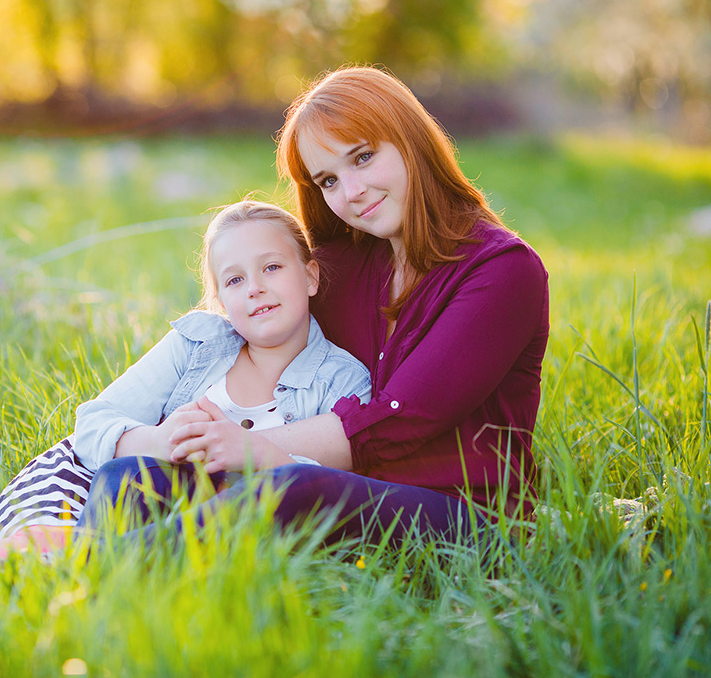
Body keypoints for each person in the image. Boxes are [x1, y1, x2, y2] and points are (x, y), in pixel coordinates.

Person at [77, 66, 549, 548]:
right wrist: (152, 437)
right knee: (130, 476)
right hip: (333, 490)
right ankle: (103, 586)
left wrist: (240, 447)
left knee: (292, 489)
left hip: (462, 518)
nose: (351, 192)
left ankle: (74, 569)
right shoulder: (338, 267)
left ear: (411, 140)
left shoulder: (502, 271)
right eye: (327, 180)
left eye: (363, 157)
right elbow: (245, 327)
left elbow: (400, 420)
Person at [0, 200, 371, 559]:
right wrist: (162, 440)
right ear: (221, 303)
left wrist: (253, 452)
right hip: (91, 478)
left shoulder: (344, 382)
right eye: (234, 280)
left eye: (271, 267)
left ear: (311, 276)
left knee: (123, 550)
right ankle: (1, 564)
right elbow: (93, 423)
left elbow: (332, 492)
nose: (255, 288)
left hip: (207, 518)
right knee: (81, 521)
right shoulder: (197, 344)